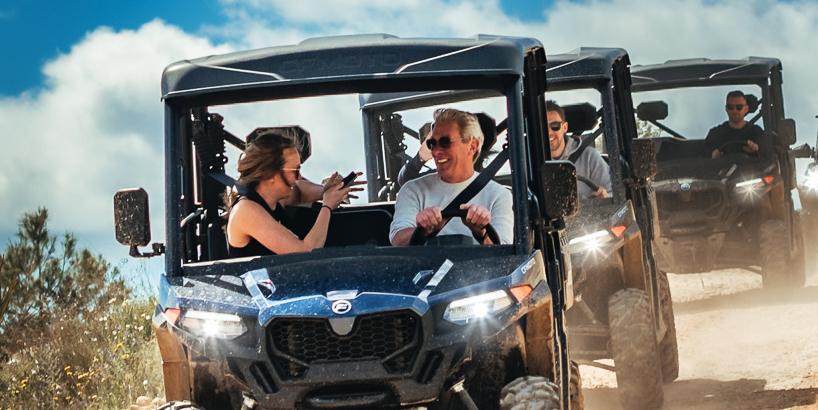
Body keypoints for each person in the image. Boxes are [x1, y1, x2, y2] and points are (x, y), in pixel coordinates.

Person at [389, 106, 514, 245]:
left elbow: (504, 255)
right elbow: (398, 241)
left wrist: (481, 234)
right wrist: (423, 230)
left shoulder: (499, 195)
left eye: (445, 142)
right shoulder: (412, 190)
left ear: (472, 146)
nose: (436, 152)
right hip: (425, 267)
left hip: (478, 267)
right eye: (432, 144)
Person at [225, 132, 359, 257]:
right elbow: (306, 254)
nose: (300, 176)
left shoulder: (274, 197)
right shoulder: (246, 211)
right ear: (270, 174)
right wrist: (327, 206)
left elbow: (299, 192)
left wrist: (326, 191)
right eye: (295, 170)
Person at [545, 101, 611, 199]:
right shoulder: (531, 165)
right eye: (544, 127)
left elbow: (612, 195)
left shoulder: (589, 157)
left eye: (554, 126)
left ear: (564, 127)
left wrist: (602, 199)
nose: (549, 132)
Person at [704, 90, 774, 160]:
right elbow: (704, 157)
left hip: (753, 170)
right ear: (726, 109)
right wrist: (713, 156)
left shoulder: (757, 133)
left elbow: (768, 157)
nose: (735, 111)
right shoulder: (715, 134)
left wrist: (757, 150)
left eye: (739, 107)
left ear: (746, 109)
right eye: (730, 107)